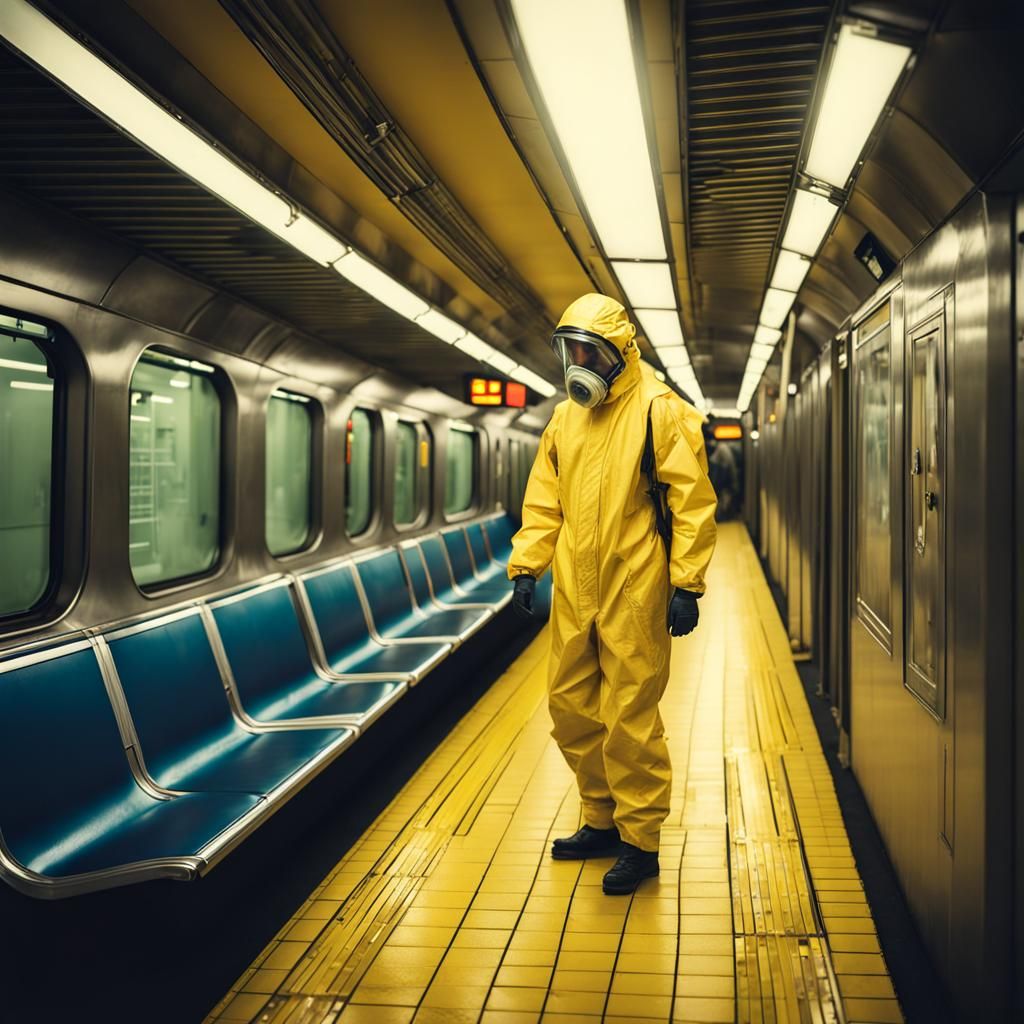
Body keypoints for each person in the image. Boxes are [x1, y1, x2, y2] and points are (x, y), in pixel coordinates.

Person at [508, 293, 717, 895]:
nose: (578, 362)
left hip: (636, 582)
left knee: (630, 716)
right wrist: (528, 566)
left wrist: (686, 585)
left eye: (589, 351)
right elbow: (544, 497)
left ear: (620, 354)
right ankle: (599, 819)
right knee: (570, 706)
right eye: (569, 350)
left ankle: (640, 842)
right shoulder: (565, 419)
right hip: (576, 582)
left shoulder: (660, 411)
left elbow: (692, 502)